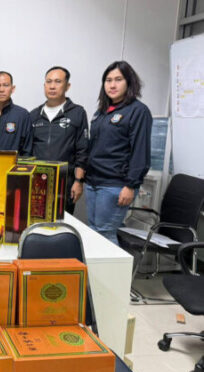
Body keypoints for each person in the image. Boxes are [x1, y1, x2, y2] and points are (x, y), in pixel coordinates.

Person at [85, 60, 152, 244]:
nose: (112, 85)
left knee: (104, 234)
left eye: (118, 79)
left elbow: (140, 151)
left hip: (115, 184)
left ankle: (112, 266)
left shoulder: (138, 111)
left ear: (129, 82)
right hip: (93, 181)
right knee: (94, 230)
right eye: (108, 80)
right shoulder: (101, 112)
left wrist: (131, 185)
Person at [29, 66, 89, 214]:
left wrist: (78, 181)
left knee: (61, 223)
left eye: (57, 81)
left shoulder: (77, 113)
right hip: (37, 183)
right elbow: (27, 150)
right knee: (35, 222)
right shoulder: (33, 115)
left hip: (65, 184)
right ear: (44, 85)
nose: (52, 86)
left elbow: (83, 150)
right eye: (49, 82)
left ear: (67, 86)